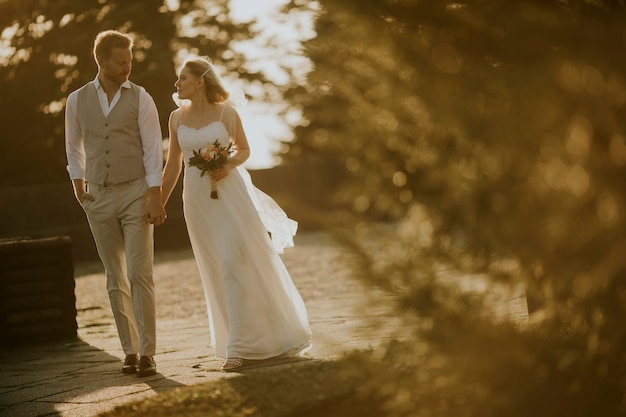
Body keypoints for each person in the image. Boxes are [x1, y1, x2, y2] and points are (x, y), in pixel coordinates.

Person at [161, 57, 312, 371]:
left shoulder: (226, 113)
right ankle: (242, 337)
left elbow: (243, 149)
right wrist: (158, 202)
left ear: (199, 81)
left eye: (182, 78)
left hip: (230, 195)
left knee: (233, 262)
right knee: (215, 267)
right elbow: (173, 164)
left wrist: (225, 164)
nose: (177, 85)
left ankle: (238, 348)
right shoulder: (176, 119)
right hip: (196, 201)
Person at [65, 30, 166, 377]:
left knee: (140, 273)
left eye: (130, 61)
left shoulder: (141, 98)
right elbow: (73, 146)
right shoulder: (77, 100)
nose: (128, 67)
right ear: (101, 61)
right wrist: (79, 187)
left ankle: (149, 352)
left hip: (136, 191)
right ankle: (130, 351)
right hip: (98, 196)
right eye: (121, 62)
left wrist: (155, 195)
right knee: (114, 277)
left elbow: (154, 150)